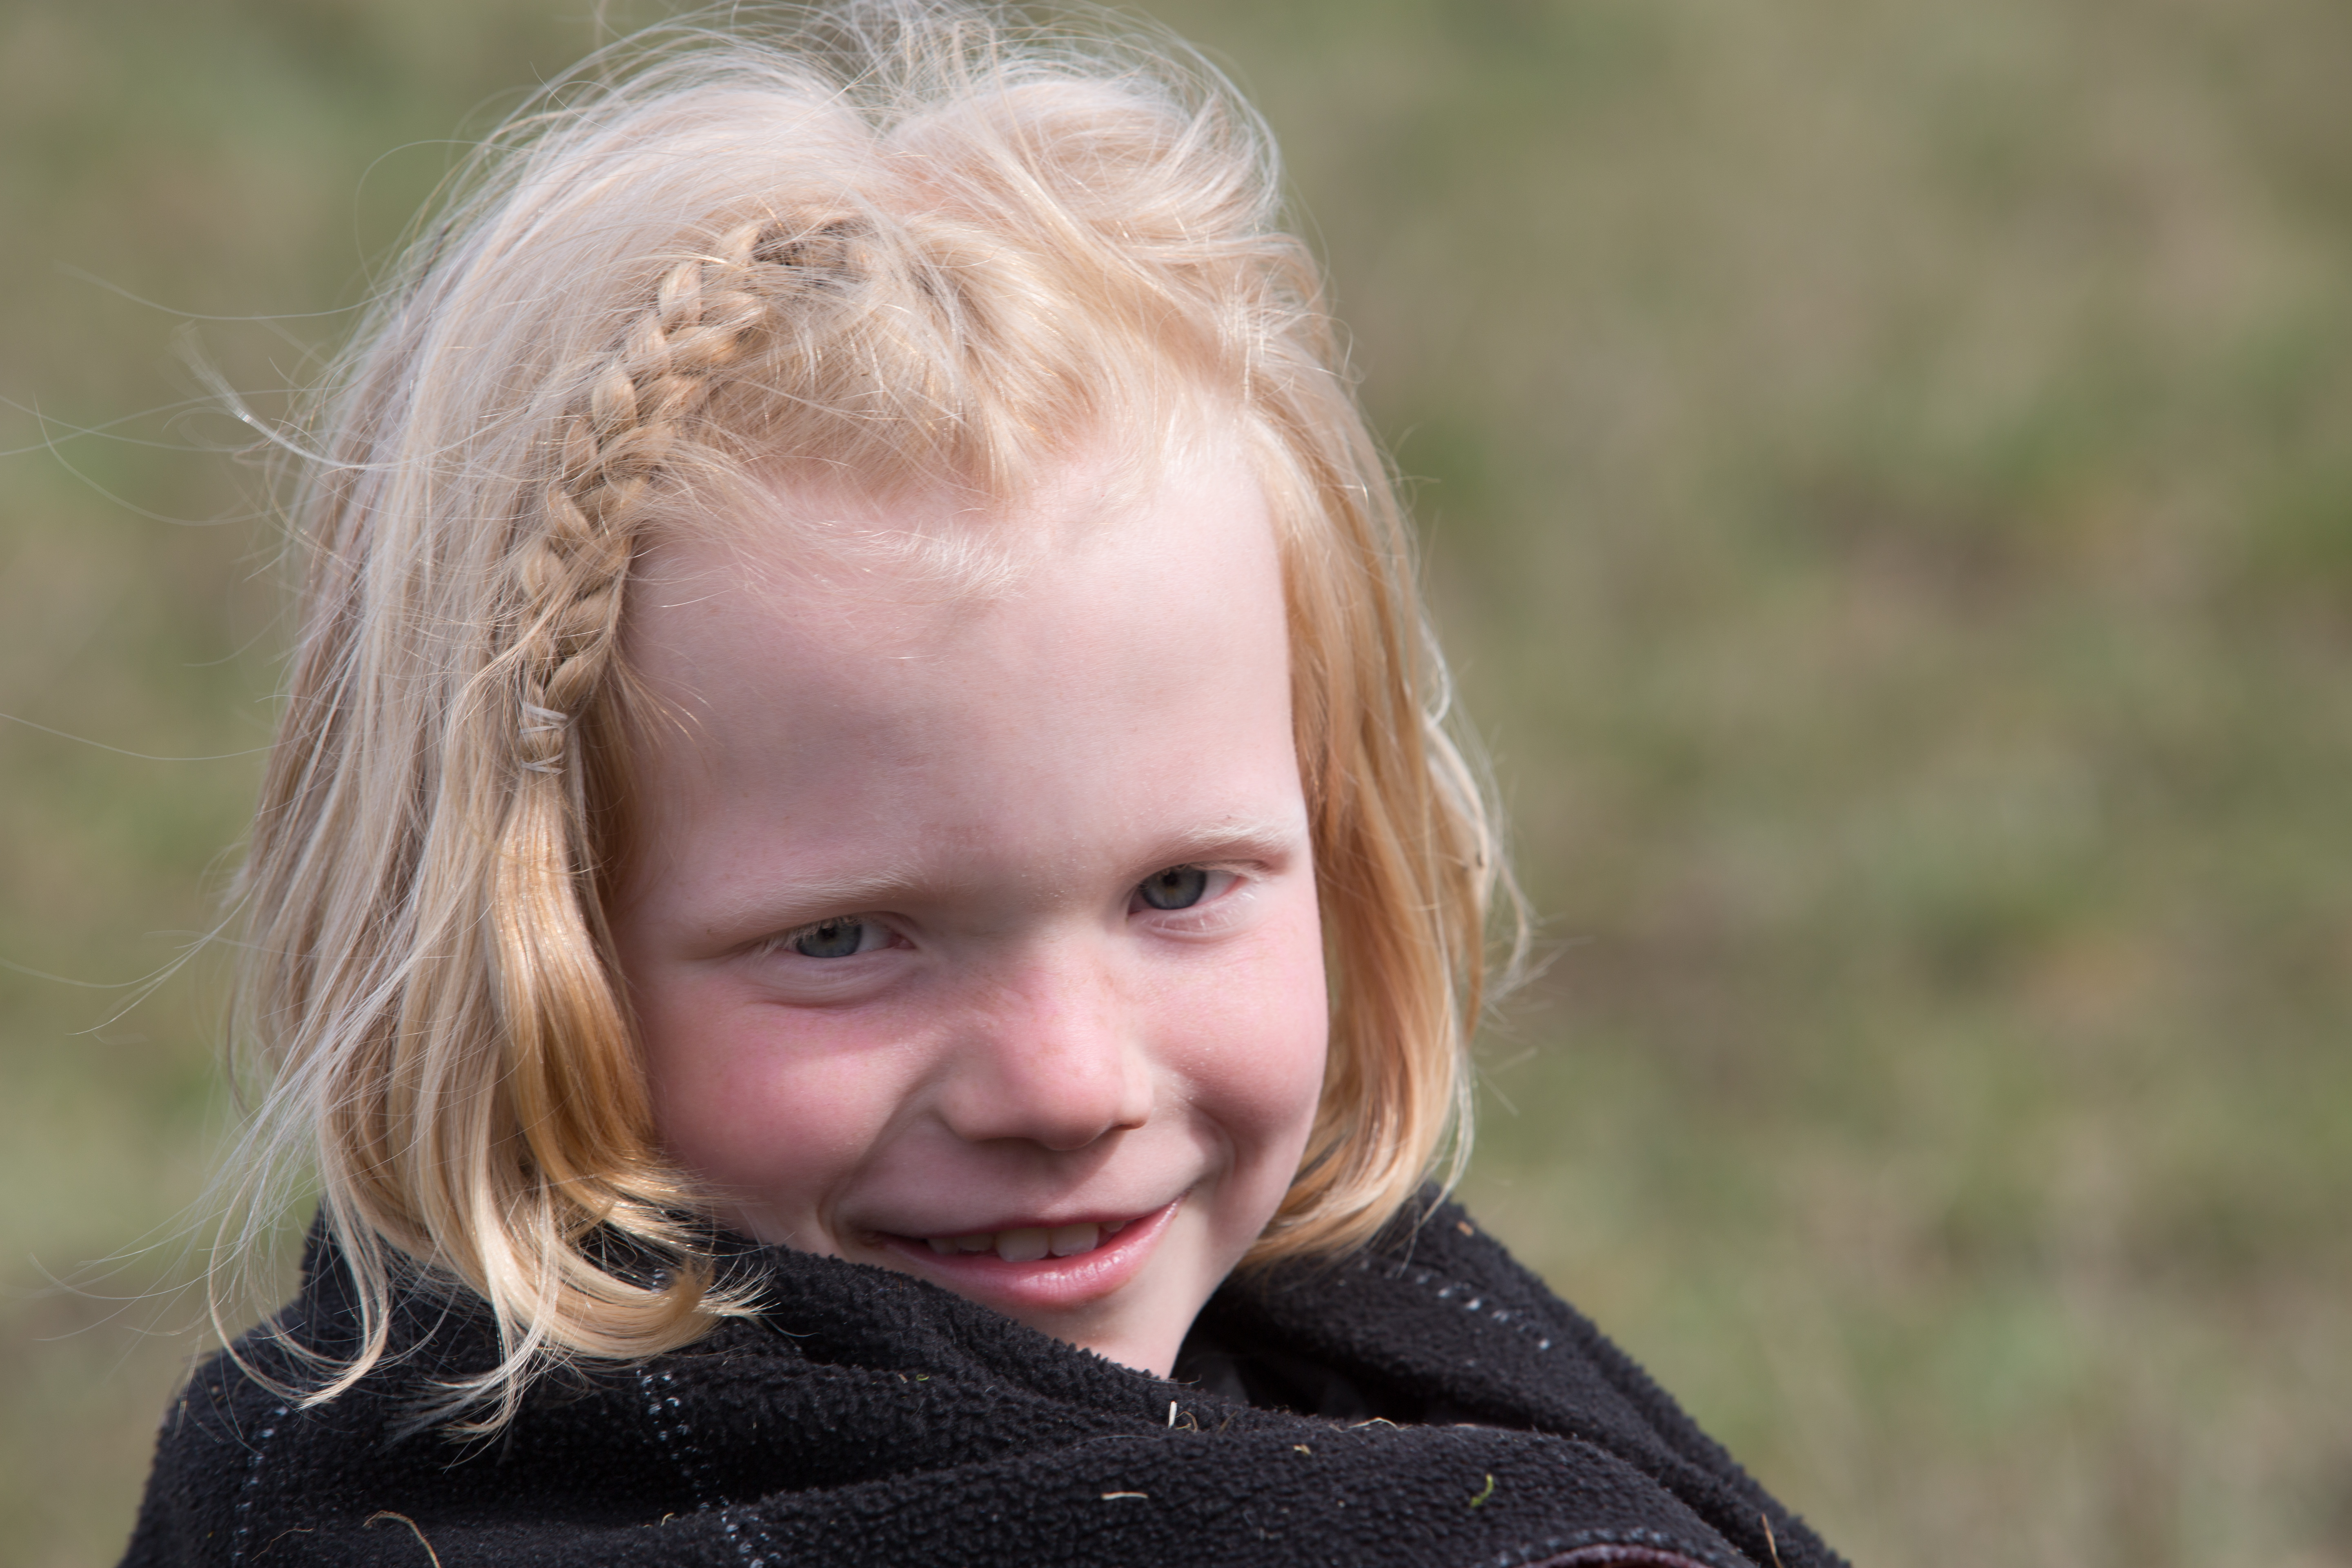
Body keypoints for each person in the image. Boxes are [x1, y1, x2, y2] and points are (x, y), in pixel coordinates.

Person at [122, 5, 1845, 1565]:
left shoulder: (1413, 1390)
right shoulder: (363, 1502)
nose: (1066, 1087)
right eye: (847, 938)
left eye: (1180, 889)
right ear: (516, 947)